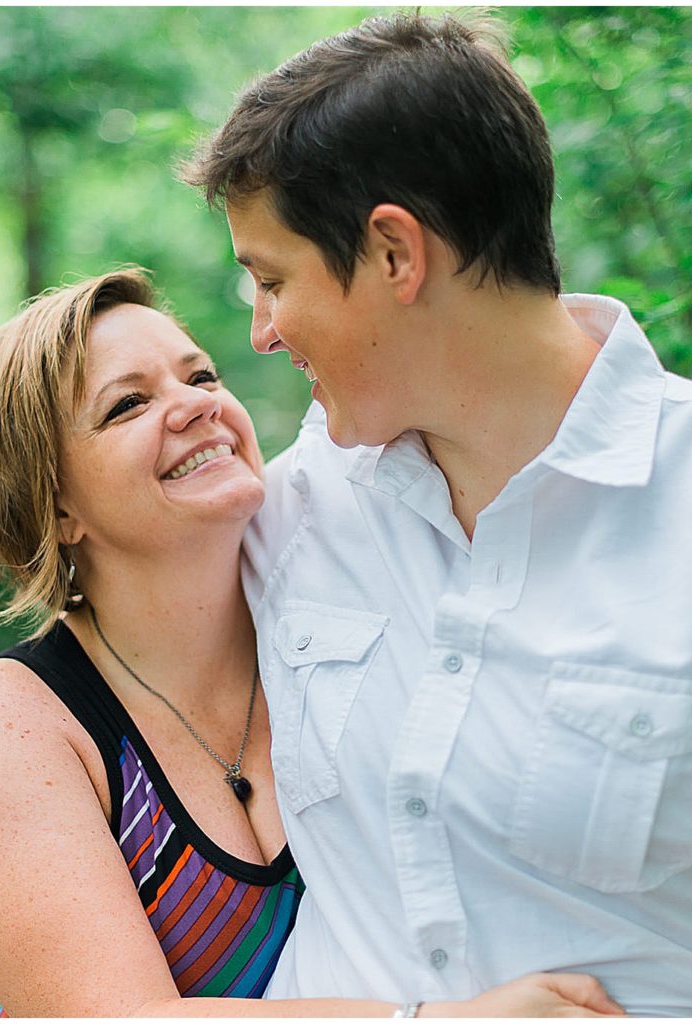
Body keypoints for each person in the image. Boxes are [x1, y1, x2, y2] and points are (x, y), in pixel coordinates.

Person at [0, 268, 620, 1018]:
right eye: (129, 404)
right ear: (53, 507)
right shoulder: (7, 721)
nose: (198, 405)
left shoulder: (344, 589)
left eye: (202, 375)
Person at [179, 9, 692, 1018]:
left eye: (274, 280)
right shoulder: (286, 509)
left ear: (393, 255)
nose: (263, 331)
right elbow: (111, 668)